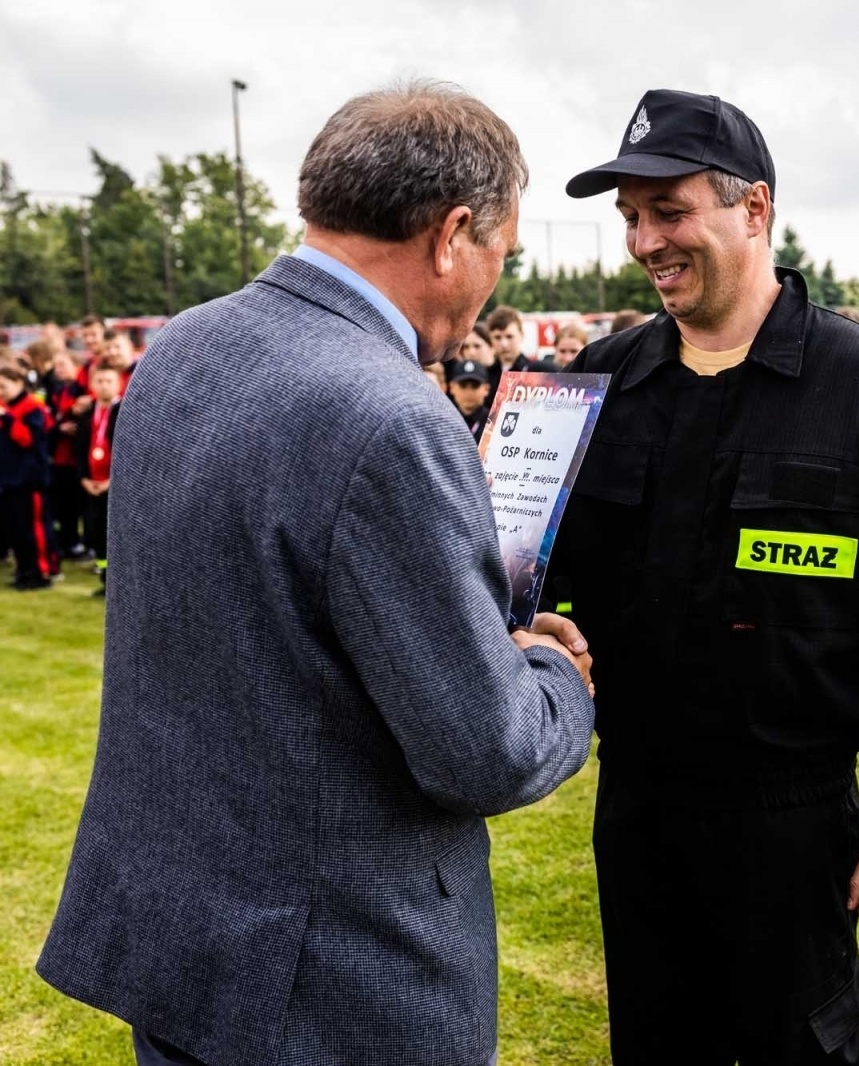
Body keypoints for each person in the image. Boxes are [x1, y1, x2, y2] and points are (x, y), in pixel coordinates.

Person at [36, 81, 597, 1066]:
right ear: (453, 234)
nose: (485, 285)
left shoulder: (182, 349)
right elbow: (484, 747)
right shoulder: (389, 412)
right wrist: (555, 678)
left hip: (180, 936)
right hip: (330, 980)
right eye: (501, 249)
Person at [558, 87, 859, 1064]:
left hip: (791, 819)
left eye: (669, 211)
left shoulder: (858, 381)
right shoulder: (597, 381)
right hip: (635, 807)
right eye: (631, 218)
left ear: (753, 209)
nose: (645, 241)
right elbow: (519, 576)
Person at [0, 364, 54, 590]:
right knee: (16, 529)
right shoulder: (7, 408)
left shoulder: (32, 408)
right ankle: (23, 569)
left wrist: (9, 419)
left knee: (33, 529)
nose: (0, 391)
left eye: (3, 386)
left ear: (19, 383)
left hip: (30, 480)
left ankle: (40, 571)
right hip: (9, 480)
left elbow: (28, 440)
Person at [75, 363, 121, 595]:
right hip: (91, 484)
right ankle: (104, 578)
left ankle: (116, 582)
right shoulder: (86, 415)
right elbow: (80, 449)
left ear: (119, 384)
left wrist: (112, 481)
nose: (103, 386)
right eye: (99, 381)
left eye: (109, 381)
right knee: (94, 531)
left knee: (113, 533)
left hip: (113, 486)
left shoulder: (123, 412)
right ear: (92, 384)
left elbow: (127, 452)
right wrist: (83, 477)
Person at [46, 347, 89, 559]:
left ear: (77, 367)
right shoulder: (59, 390)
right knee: (62, 503)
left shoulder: (80, 394)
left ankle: (76, 542)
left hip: (75, 456)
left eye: (63, 364)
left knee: (74, 504)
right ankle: (66, 540)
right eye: (56, 366)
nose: (58, 369)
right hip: (60, 455)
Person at [448, 358, 492, 441]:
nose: (469, 392)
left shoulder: (494, 423)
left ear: (486, 389)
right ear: (452, 388)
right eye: (463, 385)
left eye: (475, 386)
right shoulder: (445, 421)